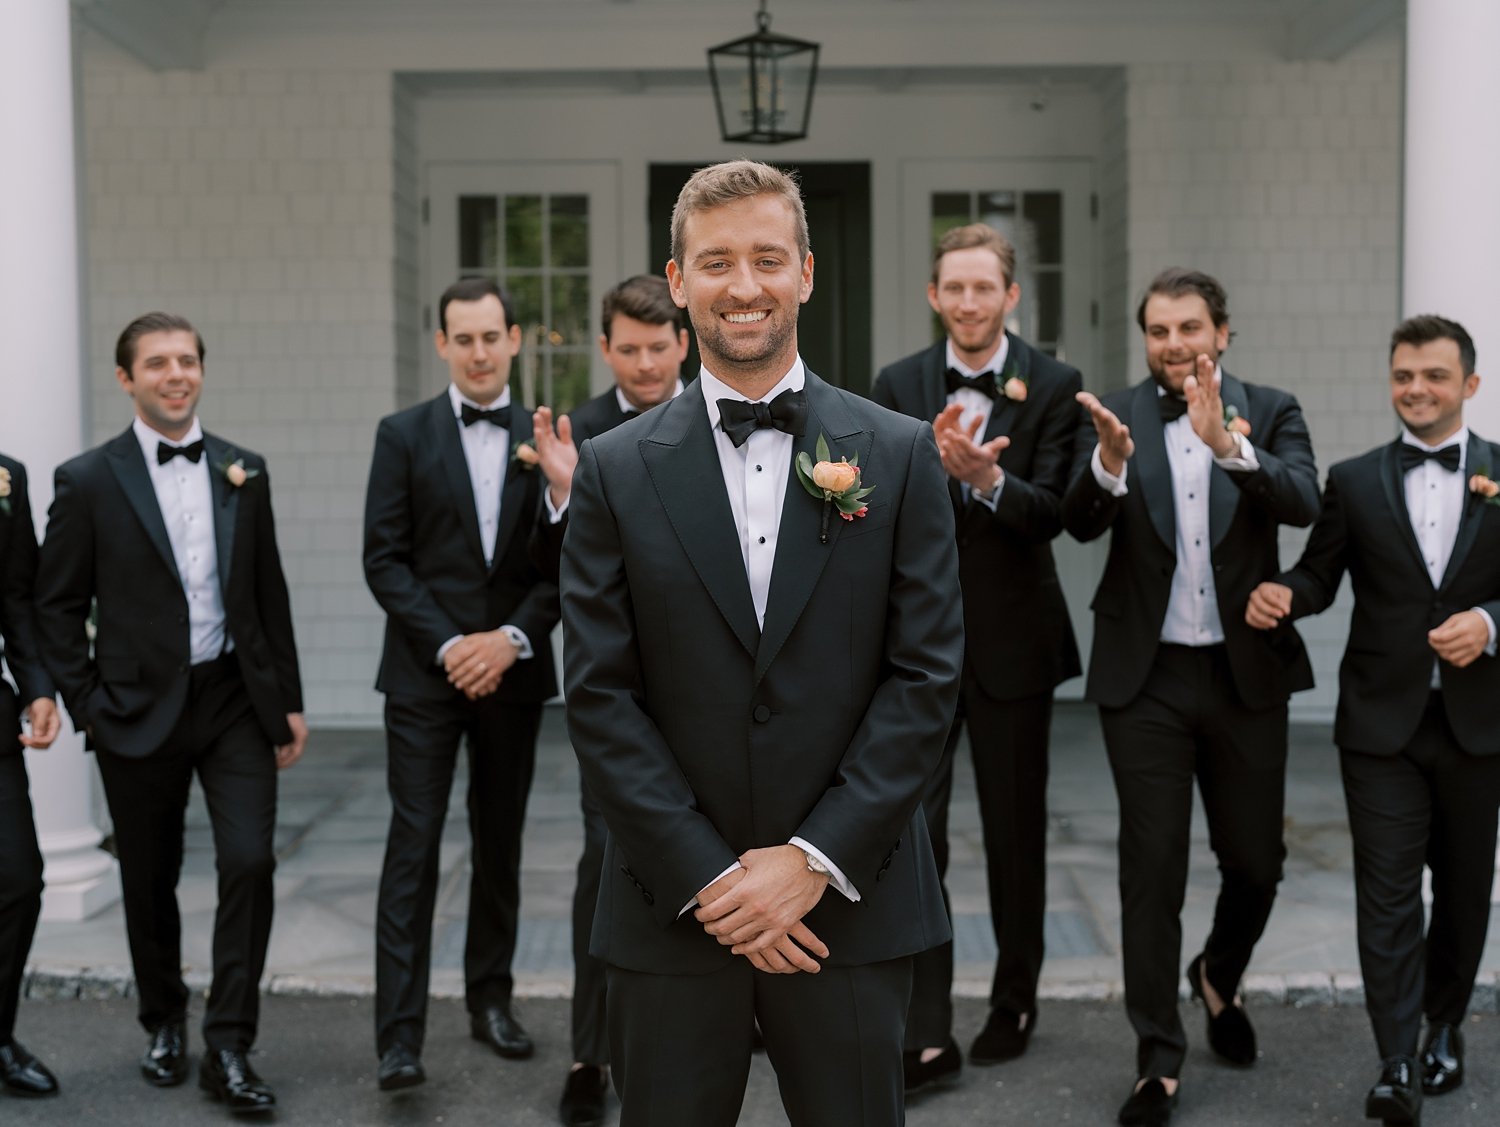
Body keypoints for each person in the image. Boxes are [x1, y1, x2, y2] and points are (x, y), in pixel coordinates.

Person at [560, 159, 963, 1127]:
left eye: (766, 258)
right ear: (678, 279)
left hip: (847, 907)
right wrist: (711, 875)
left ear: (807, 273)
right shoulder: (612, 472)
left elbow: (927, 676)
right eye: (716, 262)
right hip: (673, 907)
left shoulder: (900, 453)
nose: (743, 285)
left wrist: (811, 858)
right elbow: (599, 695)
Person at [1061, 268, 1318, 1126]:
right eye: (1159, 330)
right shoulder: (1117, 414)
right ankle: (1158, 1058)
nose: (1174, 344)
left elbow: (1305, 498)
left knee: (1256, 860)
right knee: (1153, 866)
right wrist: (1107, 465)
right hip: (1148, 677)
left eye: (1190, 328)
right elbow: (1079, 521)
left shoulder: (1271, 406)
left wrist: (1228, 446)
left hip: (1247, 672)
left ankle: (1218, 971)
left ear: (1224, 332)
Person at [35, 312, 307, 1114]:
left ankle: (229, 1042)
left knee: (249, 860)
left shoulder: (242, 469)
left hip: (231, 701)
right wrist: (86, 702)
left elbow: (268, 593)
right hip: (133, 708)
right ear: (127, 378)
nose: (176, 373)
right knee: (148, 878)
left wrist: (285, 700)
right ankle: (164, 1020)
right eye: (157, 363)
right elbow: (56, 604)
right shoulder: (86, 480)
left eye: (187, 360)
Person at [1246, 314, 1500, 1127]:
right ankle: (1396, 1056)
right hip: (1380, 724)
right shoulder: (1353, 480)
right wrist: (1285, 591)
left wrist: (1491, 623)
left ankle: (1445, 1024)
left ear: (1469, 383)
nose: (1415, 389)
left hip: (1478, 724)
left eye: (1432, 375)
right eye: (1402, 375)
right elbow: (1322, 574)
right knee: (1387, 892)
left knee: (1462, 890)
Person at [870, 222, 1081, 1090]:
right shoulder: (897, 384)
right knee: (915, 837)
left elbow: (1057, 512)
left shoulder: (1056, 384)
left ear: (1010, 295)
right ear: (933, 295)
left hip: (1013, 650)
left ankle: (1015, 997)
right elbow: (874, 511)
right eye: (953, 288)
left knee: (1013, 833)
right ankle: (926, 1024)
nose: (967, 302)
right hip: (916, 653)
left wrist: (987, 481)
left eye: (982, 288)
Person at [362, 277, 559, 1093]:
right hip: (423, 675)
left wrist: (509, 640)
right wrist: (451, 645)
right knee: (413, 844)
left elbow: (566, 560)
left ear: (516, 338)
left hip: (511, 675)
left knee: (499, 842)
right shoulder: (402, 434)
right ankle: (399, 1036)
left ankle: (492, 1000)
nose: (479, 352)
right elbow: (384, 558)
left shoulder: (548, 435)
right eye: (462, 338)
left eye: (492, 336)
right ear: (441, 344)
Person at [530, 274, 688, 1127]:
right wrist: (562, 492)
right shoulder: (575, 434)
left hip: (709, 689)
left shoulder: (722, 416)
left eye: (658, 347)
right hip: (617, 695)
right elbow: (547, 570)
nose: (644, 363)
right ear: (607, 349)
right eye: (628, 349)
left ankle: (734, 1014)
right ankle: (592, 1049)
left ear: (683, 343)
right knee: (608, 865)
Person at [0, 454, 62, 1098]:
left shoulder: (4, 477)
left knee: (18, 878)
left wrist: (37, 687)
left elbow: (17, 597)